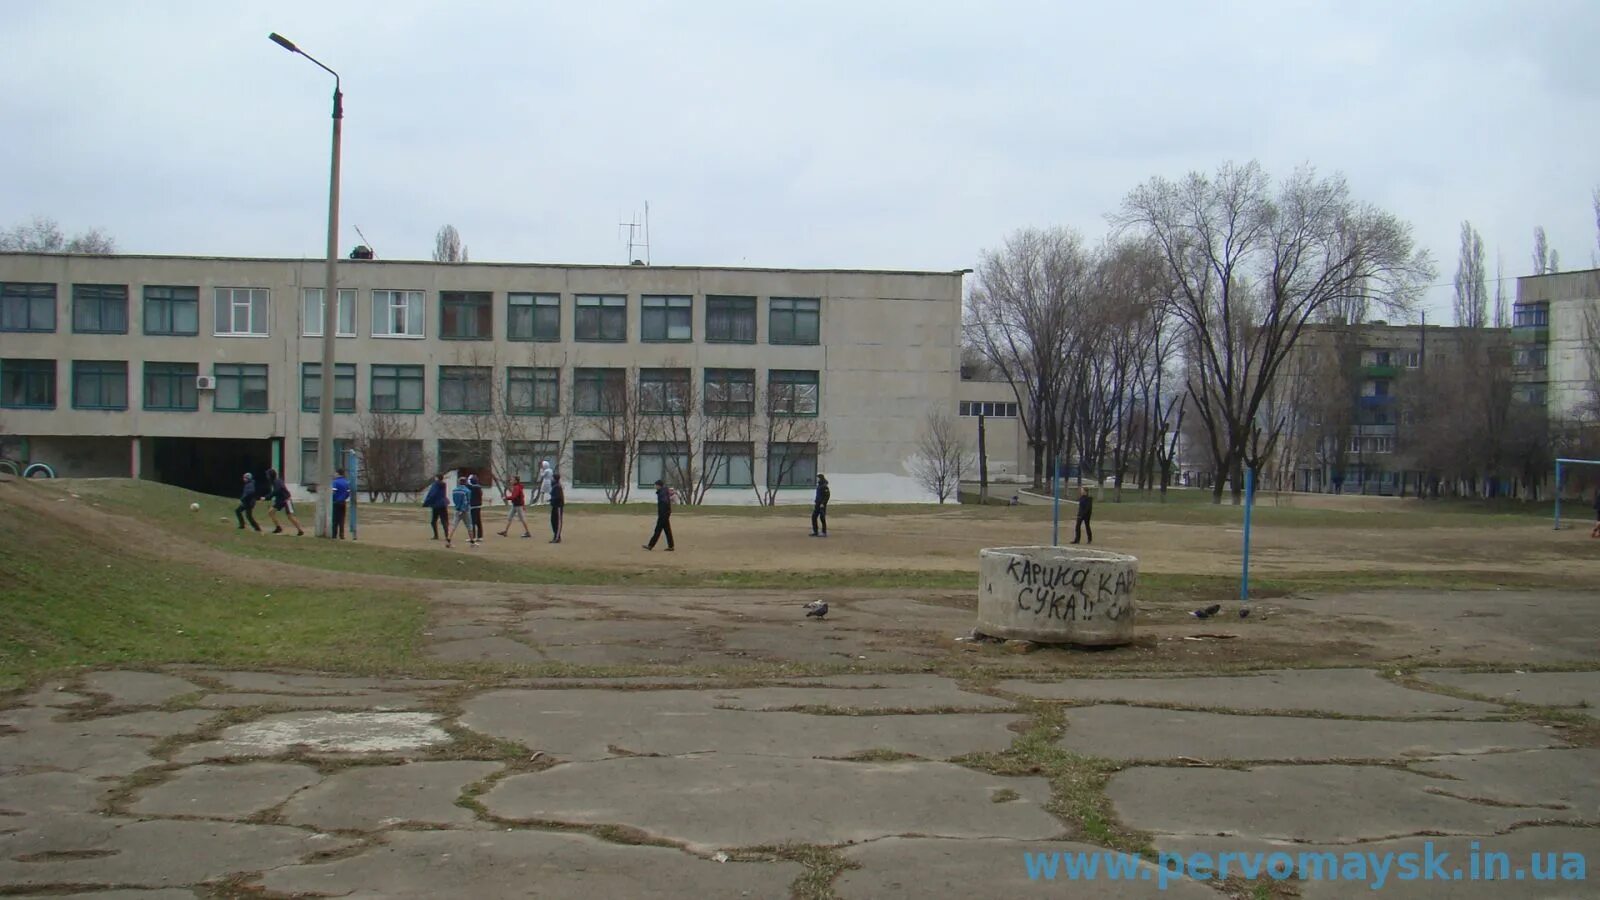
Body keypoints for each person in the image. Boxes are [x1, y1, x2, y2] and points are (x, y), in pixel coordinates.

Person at [265, 468, 304, 536]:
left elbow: (277, 491)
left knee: (290, 516)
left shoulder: (277, 482)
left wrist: (267, 497)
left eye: (268, 475)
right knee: (271, 512)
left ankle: (300, 530)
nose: (267, 476)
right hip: (280, 500)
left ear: (271, 475)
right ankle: (278, 528)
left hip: (286, 500)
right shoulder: (275, 481)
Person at [643, 479, 675, 551]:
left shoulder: (662, 493)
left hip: (663, 514)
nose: (655, 486)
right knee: (667, 530)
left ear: (659, 486)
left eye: (656, 485)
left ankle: (650, 545)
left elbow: (664, 503)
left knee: (658, 530)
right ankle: (671, 546)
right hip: (665, 513)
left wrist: (662, 514)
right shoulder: (663, 491)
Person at [447, 476, 472, 548]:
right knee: (469, 526)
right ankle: (472, 541)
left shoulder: (454, 490)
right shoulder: (467, 491)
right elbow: (467, 501)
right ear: (465, 482)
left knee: (453, 525)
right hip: (465, 510)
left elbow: (454, 500)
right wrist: (463, 509)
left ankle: (448, 539)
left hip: (456, 509)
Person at [422, 474, 449, 540]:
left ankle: (436, 535)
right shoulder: (444, 484)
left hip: (436, 505)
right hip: (443, 504)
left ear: (437, 478)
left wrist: (426, 502)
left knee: (433, 521)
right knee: (444, 521)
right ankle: (447, 535)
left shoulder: (435, 485)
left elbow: (432, 494)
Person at [330, 467, 351, 539]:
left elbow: (333, 492)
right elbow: (348, 493)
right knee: (342, 519)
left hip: (336, 502)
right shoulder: (346, 482)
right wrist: (344, 498)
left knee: (335, 519)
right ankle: (342, 535)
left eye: (335, 473)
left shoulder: (335, 482)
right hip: (343, 502)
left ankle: (334, 534)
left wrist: (333, 499)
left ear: (338, 473)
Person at [468, 474, 485, 544]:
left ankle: (473, 536)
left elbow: (468, 484)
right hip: (478, 506)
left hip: (473, 506)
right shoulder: (478, 487)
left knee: (472, 522)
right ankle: (480, 536)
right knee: (478, 522)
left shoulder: (473, 487)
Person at [548, 473, 565, 543]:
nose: (551, 479)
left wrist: (552, 499)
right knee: (553, 521)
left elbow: (558, 497)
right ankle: (555, 535)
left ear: (555, 479)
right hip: (554, 506)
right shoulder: (554, 486)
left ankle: (557, 537)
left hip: (558, 506)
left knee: (557, 521)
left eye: (552, 478)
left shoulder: (558, 486)